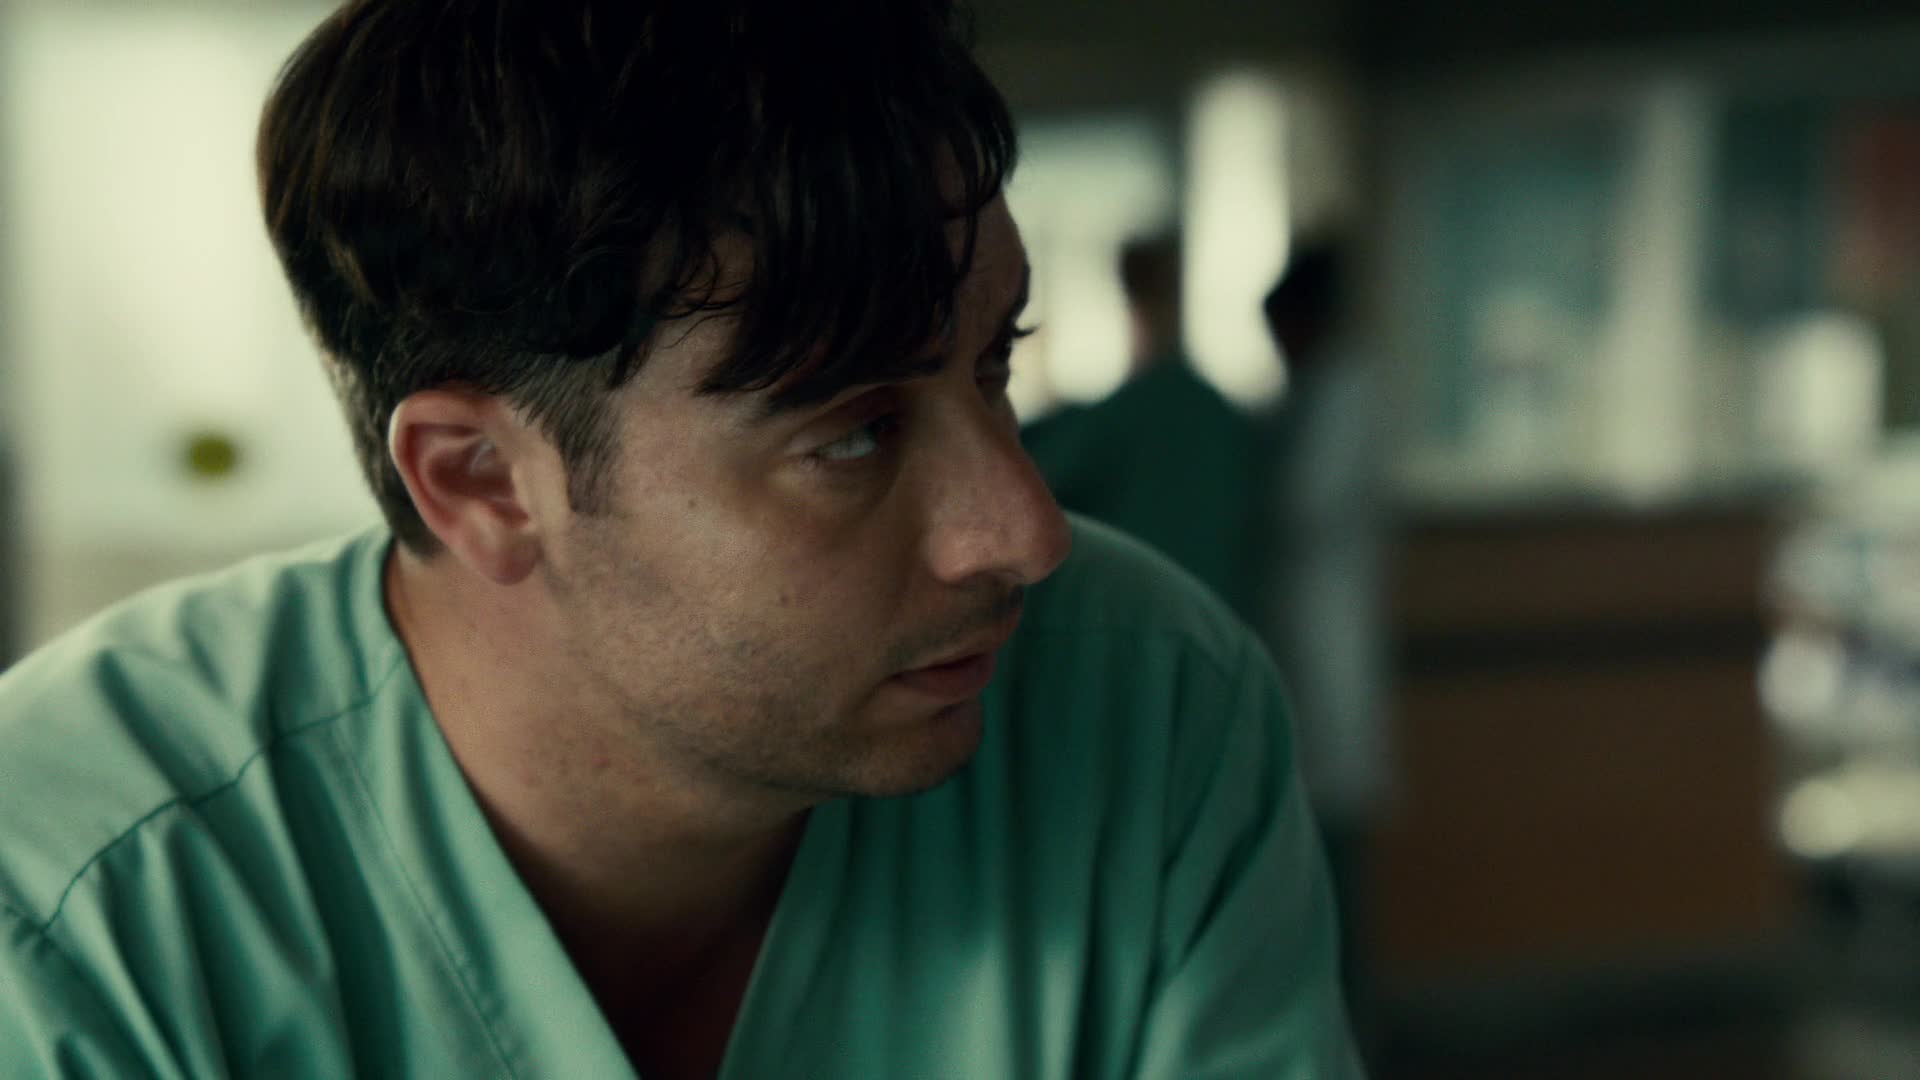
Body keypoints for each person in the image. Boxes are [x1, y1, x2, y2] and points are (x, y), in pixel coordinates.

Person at [0, 3, 1361, 1077]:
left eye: (994, 366)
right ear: (484, 482)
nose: (1025, 532)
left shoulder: (1145, 711)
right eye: (853, 434)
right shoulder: (74, 902)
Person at [1261, 241, 1393, 1047]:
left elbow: (1302, 508)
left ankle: (1345, 1027)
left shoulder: (1347, 397)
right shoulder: (1310, 397)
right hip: (1306, 646)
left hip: (1329, 646)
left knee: (1335, 852)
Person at [1022, 232, 1264, 624]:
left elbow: (1039, 475)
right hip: (1213, 616)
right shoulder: (1211, 413)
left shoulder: (1131, 415)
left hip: (1145, 614)